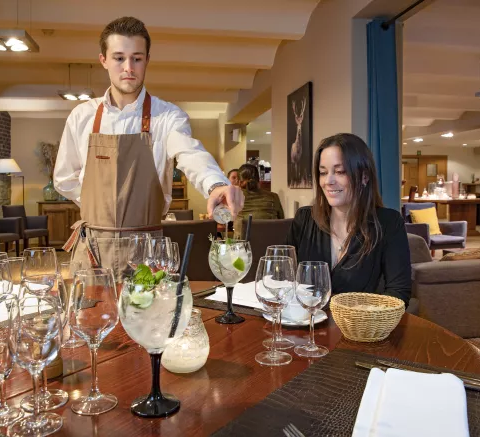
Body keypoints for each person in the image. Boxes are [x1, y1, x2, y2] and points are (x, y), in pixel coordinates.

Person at [53, 16, 243, 271]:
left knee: (148, 310)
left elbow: (190, 153)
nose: (128, 67)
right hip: (92, 251)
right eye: (119, 58)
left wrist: (216, 185)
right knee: (89, 311)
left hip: (148, 252)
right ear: (104, 60)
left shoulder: (168, 116)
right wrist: (100, 208)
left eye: (137, 58)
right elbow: (64, 178)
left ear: (147, 60)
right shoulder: (81, 116)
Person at [286, 133, 411, 306]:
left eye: (340, 172)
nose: (328, 181)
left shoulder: (388, 222)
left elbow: (398, 292)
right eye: (323, 173)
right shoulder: (305, 219)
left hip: (359, 328)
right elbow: (284, 280)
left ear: (364, 177)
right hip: (305, 325)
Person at [234, 164, 284, 237]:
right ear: (259, 180)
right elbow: (281, 221)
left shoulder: (236, 196)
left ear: (239, 182)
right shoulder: (273, 197)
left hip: (241, 245)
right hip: (271, 243)